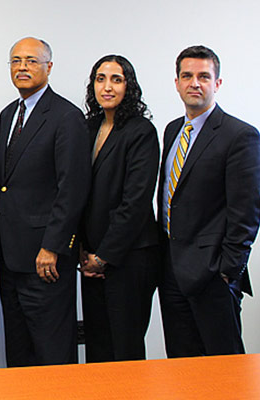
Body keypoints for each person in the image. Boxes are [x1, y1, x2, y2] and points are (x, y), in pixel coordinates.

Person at [158, 45, 260, 357]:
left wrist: (228, 270)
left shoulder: (239, 135)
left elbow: (246, 211)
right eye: (187, 76)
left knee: (225, 371)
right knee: (181, 366)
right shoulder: (173, 130)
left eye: (204, 76)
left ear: (217, 83)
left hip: (213, 274)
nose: (195, 83)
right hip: (172, 271)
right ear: (176, 82)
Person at [0, 37, 90, 367]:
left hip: (44, 260)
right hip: (9, 257)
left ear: (49, 67)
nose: (22, 67)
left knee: (52, 350)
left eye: (32, 61)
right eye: (16, 61)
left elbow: (72, 189)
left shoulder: (66, 117)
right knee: (18, 351)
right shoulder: (8, 114)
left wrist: (52, 246)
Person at [78, 55, 160, 362]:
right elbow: (78, 193)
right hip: (92, 257)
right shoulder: (88, 128)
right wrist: (84, 251)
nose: (107, 87)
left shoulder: (141, 132)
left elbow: (135, 203)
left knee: (124, 352)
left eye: (116, 79)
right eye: (100, 79)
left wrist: (104, 257)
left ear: (129, 86)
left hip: (130, 258)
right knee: (98, 350)